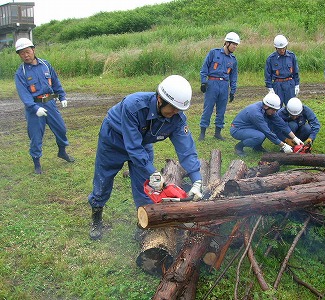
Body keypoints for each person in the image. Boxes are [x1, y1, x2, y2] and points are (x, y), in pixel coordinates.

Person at [87, 75, 203, 240]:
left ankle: (143, 223)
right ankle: (96, 216)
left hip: (142, 143)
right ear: (159, 99)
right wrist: (152, 171)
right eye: (173, 108)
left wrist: (197, 180)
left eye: (179, 109)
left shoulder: (176, 119)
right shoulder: (133, 106)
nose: (176, 113)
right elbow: (133, 147)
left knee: (145, 185)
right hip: (113, 140)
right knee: (103, 180)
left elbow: (187, 150)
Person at [14, 38, 74, 175]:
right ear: (19, 55)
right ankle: (37, 163)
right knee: (35, 136)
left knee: (61, 129)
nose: (26, 55)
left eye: (27, 51)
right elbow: (24, 95)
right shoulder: (20, 73)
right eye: (22, 53)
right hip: (34, 108)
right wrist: (35, 108)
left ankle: (62, 152)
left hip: (50, 104)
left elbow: (55, 82)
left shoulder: (45, 65)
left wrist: (62, 96)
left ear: (33, 50)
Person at [230, 93, 303, 157]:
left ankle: (257, 147)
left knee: (269, 126)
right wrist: (283, 146)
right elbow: (267, 132)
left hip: (250, 127)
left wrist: (295, 138)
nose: (275, 112)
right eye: (274, 110)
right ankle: (239, 146)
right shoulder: (256, 113)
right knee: (260, 136)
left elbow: (281, 124)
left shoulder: (267, 109)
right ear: (266, 107)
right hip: (237, 130)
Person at [198, 32, 240, 141]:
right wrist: (203, 82)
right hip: (212, 83)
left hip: (224, 85)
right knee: (208, 108)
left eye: (236, 45)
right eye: (233, 44)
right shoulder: (213, 53)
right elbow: (204, 68)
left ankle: (218, 132)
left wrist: (232, 91)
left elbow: (233, 76)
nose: (235, 47)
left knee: (221, 110)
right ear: (227, 43)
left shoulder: (233, 59)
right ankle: (202, 132)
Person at [264, 34, 300, 106]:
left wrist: (297, 85)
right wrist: (270, 88)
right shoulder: (271, 59)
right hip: (277, 85)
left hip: (289, 84)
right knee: (276, 106)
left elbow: (296, 72)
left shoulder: (291, 56)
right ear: (276, 48)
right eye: (280, 49)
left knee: (291, 106)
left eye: (283, 48)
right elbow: (267, 74)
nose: (282, 50)